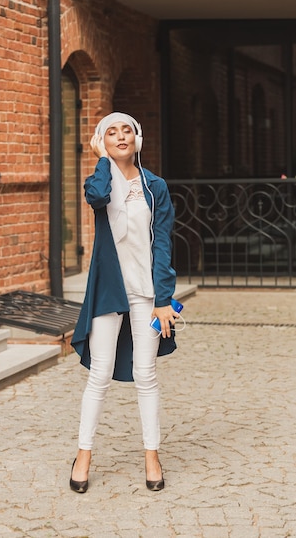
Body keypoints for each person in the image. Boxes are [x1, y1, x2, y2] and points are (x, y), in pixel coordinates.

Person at [70, 112, 179, 494]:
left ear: (137, 137)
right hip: (108, 292)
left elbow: (163, 242)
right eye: (111, 132)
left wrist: (164, 299)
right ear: (102, 140)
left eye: (127, 130)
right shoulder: (99, 181)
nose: (121, 136)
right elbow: (97, 197)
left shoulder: (155, 187)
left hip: (146, 294)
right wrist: (102, 159)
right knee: (99, 374)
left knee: (145, 375)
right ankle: (84, 453)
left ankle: (152, 454)